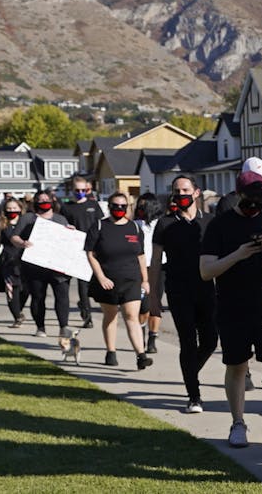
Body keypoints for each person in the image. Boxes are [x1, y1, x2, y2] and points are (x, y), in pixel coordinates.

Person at [200, 157, 262, 452]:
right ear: (239, 195)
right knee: (237, 365)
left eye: (260, 196)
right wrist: (238, 255)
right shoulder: (220, 225)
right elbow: (206, 271)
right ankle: (238, 423)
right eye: (250, 197)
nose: (255, 202)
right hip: (232, 306)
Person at [152, 175, 217, 413]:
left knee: (210, 341)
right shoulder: (164, 224)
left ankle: (189, 371)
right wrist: (153, 298)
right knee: (188, 343)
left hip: (206, 289)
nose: (181, 195)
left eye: (185, 190)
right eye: (176, 191)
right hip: (178, 291)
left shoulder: (210, 222)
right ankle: (194, 396)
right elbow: (156, 262)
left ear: (197, 192)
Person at [85, 192, 153, 370]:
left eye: (123, 206)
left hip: (131, 279)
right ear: (109, 207)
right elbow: (90, 254)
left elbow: (141, 256)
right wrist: (101, 277)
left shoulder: (134, 228)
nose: (119, 209)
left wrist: (145, 280)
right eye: (115, 206)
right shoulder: (99, 226)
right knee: (111, 315)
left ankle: (141, 355)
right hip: (108, 280)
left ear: (128, 207)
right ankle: (111, 351)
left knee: (132, 316)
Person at [14, 191, 74, 338]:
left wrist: (71, 232)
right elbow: (14, 236)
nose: (44, 202)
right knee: (38, 297)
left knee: (62, 296)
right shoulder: (28, 218)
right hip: (35, 265)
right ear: (35, 202)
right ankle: (40, 327)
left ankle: (63, 326)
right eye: (40, 200)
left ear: (53, 201)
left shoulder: (61, 219)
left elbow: (69, 241)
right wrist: (22, 243)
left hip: (58, 266)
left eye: (46, 199)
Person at [63, 175, 104, 329]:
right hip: (77, 250)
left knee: (97, 281)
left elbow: (101, 224)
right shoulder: (67, 207)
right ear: (72, 190)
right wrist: (67, 228)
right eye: (77, 190)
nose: (80, 192)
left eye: (83, 190)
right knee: (82, 284)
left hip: (95, 248)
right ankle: (87, 316)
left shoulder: (93, 205)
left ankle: (84, 303)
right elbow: (62, 225)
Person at [134, 193, 165, 354]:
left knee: (155, 304)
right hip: (139, 268)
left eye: (144, 206)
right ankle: (141, 332)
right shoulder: (133, 225)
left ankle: (152, 337)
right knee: (143, 305)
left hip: (158, 267)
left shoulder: (160, 224)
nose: (141, 209)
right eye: (139, 206)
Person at [0, 198, 29, 328]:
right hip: (8, 260)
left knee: (25, 290)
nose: (11, 211)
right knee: (11, 289)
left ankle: (19, 309)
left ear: (20, 209)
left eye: (14, 208)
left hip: (24, 260)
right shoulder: (2, 224)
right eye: (9, 209)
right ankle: (17, 316)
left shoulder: (26, 223)